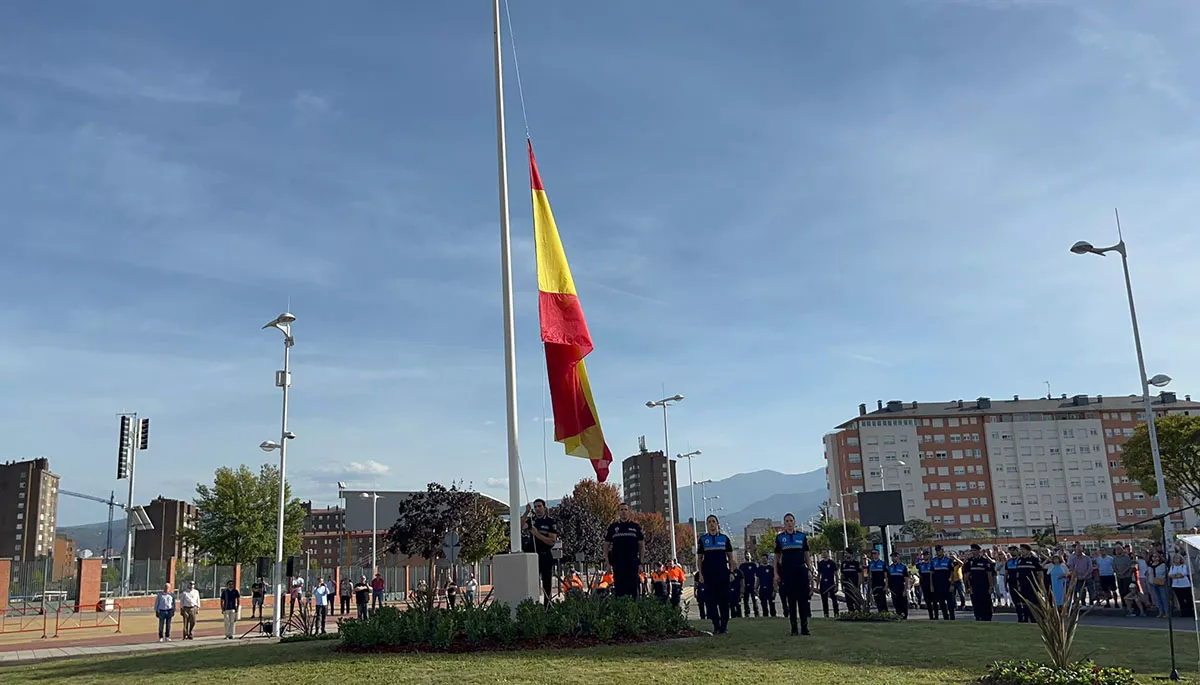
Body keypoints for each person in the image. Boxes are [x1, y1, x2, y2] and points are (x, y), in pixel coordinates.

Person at [774, 513, 812, 636]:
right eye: (787, 521)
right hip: (787, 572)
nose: (789, 523)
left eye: (791, 521)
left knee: (803, 600)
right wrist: (776, 573)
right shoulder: (780, 538)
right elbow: (776, 557)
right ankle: (794, 628)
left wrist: (810, 569)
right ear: (784, 524)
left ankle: (805, 628)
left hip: (801, 570)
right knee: (791, 600)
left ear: (794, 522)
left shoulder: (802, 536)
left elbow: (807, 555)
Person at [697, 514, 736, 634]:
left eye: (713, 521)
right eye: (709, 522)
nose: (711, 524)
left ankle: (724, 625)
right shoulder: (703, 540)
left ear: (717, 524)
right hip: (709, 575)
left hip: (722, 574)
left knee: (724, 600)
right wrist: (701, 574)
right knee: (710, 601)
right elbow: (699, 558)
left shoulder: (724, 539)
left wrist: (731, 571)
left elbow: (730, 557)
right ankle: (716, 624)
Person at [523, 498, 560, 605]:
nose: (538, 509)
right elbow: (520, 526)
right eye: (536, 507)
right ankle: (533, 605)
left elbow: (551, 541)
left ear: (544, 508)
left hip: (545, 555)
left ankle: (547, 606)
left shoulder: (550, 522)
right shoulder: (532, 521)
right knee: (532, 583)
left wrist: (537, 534)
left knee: (546, 583)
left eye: (540, 506)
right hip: (532, 555)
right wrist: (526, 512)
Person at [605, 502, 645, 598]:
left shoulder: (636, 527)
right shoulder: (613, 527)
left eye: (625, 510)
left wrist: (641, 563)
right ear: (619, 512)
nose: (623, 512)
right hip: (618, 564)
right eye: (621, 510)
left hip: (632, 564)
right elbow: (605, 547)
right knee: (619, 591)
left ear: (629, 512)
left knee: (634, 591)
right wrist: (607, 564)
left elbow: (642, 546)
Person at [965, 544, 995, 621]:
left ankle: (987, 617)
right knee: (976, 603)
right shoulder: (969, 561)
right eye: (972, 550)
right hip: (974, 586)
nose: (973, 552)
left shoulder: (984, 561)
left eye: (975, 550)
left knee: (986, 603)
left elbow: (990, 575)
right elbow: (967, 575)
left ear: (979, 551)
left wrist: (991, 587)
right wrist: (968, 587)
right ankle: (978, 617)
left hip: (984, 586)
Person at [1015, 544, 1043, 622]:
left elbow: (1040, 572)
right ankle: (1025, 619)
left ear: (1028, 551)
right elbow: (1018, 573)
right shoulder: (1019, 560)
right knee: (1024, 603)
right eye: (1021, 549)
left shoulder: (1034, 560)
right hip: (1022, 585)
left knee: (1033, 603)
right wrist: (1018, 584)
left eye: (1023, 549)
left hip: (1032, 585)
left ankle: (1034, 619)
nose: (1022, 551)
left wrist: (1040, 584)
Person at [929, 545, 955, 620]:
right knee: (942, 603)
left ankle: (952, 618)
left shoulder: (948, 560)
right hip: (937, 585)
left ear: (942, 551)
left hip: (947, 585)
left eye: (939, 550)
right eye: (936, 551)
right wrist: (931, 585)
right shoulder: (933, 561)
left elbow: (952, 573)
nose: (938, 552)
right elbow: (931, 574)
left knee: (950, 604)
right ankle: (945, 618)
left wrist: (952, 585)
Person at [1148, 552, 1172, 618]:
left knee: (1164, 598)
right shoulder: (1150, 565)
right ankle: (1161, 611)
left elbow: (1165, 574)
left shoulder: (1163, 565)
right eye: (1153, 556)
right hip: (1153, 583)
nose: (1155, 558)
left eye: (1156, 556)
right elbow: (1148, 574)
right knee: (1157, 598)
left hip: (1161, 583)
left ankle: (1167, 612)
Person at [816, 551, 839, 618]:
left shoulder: (832, 563)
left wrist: (837, 584)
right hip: (823, 583)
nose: (824, 554)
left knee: (834, 599)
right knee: (824, 600)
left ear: (828, 554)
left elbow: (836, 574)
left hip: (831, 583)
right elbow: (819, 575)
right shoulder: (820, 563)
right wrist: (817, 586)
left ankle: (836, 613)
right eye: (823, 553)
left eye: (825, 552)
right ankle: (826, 614)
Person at [1169, 553, 1193, 618]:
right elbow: (1170, 574)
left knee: (1188, 599)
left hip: (1185, 585)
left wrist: (1176, 575)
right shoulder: (1172, 566)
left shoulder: (1183, 566)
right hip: (1176, 585)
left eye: (1178, 558)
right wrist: (1177, 575)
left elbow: (1183, 573)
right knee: (1180, 599)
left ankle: (1190, 612)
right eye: (1175, 558)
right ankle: (1183, 612)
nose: (1176, 559)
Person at [886, 551, 908, 619]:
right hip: (893, 589)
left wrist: (905, 589)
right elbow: (888, 578)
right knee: (896, 603)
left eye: (895, 556)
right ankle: (898, 616)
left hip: (901, 588)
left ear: (898, 557)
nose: (893, 558)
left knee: (903, 604)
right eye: (892, 557)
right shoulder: (890, 567)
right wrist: (887, 588)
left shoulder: (903, 567)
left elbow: (906, 579)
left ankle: (904, 617)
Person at [738, 553, 760, 618]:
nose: (747, 556)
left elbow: (757, 575)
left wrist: (756, 586)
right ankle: (747, 613)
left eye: (748, 554)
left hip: (752, 585)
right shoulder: (742, 565)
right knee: (745, 600)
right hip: (745, 585)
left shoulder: (753, 565)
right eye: (746, 555)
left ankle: (756, 613)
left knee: (754, 600)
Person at [915, 551, 934, 618]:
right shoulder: (921, 565)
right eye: (924, 555)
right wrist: (919, 556)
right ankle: (931, 616)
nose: (925, 556)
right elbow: (916, 564)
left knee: (934, 601)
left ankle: (936, 616)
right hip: (924, 585)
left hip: (932, 584)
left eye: (926, 555)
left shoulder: (932, 563)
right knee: (927, 601)